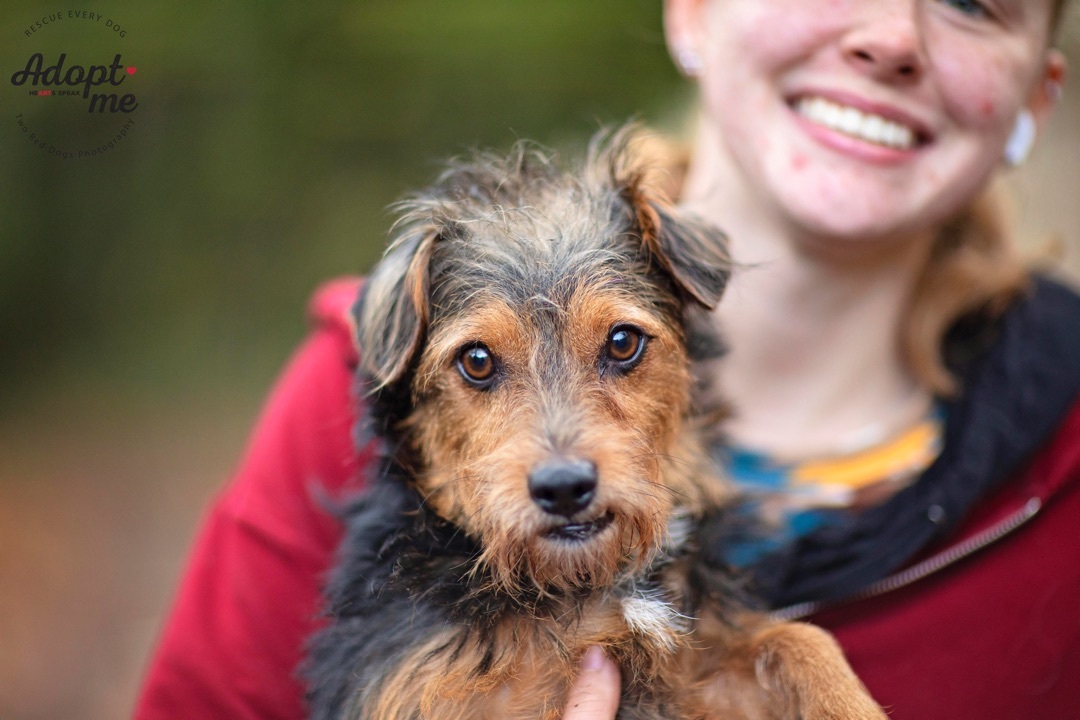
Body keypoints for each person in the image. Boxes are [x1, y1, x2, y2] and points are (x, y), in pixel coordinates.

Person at [134, 1, 1080, 718]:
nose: (893, 35)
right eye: (477, 367)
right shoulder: (341, 388)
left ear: (1041, 88)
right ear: (693, 11)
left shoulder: (1061, 486)